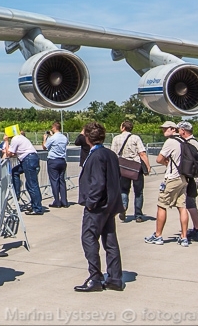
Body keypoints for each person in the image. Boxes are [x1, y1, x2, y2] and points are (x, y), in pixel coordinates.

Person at [74, 122, 124, 292]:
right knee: (110, 241)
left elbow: (98, 182)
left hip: (98, 206)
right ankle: (115, 277)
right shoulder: (110, 154)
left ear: (87, 137)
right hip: (110, 204)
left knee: (88, 238)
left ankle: (95, 277)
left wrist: (90, 203)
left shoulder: (96, 156)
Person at [145, 121, 190, 247]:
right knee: (182, 207)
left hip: (172, 178)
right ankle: (184, 237)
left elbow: (159, 159)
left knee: (161, 205)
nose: (163, 131)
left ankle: (158, 235)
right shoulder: (183, 141)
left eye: (165, 129)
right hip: (183, 178)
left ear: (172, 129)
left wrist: (166, 163)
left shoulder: (170, 142)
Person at [110, 120, 150, 223]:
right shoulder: (135, 138)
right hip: (136, 167)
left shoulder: (116, 138)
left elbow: (113, 154)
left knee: (123, 190)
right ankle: (138, 215)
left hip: (122, 168)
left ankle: (123, 206)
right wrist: (148, 166)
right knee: (138, 192)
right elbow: (142, 153)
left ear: (123, 127)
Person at [3, 128, 45, 215]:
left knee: (32, 184)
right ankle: (20, 195)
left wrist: (6, 141)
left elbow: (9, 154)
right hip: (30, 158)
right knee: (15, 171)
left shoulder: (15, 139)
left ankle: (37, 208)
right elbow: (14, 153)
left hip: (28, 160)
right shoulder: (21, 138)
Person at [177, 122, 198, 242]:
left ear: (183, 131)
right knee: (189, 203)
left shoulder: (191, 143)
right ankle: (196, 228)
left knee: (190, 203)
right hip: (192, 177)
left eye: (179, 130)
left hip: (192, 178)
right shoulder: (191, 142)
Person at [43, 122, 70, 208]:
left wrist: (45, 138)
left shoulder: (52, 138)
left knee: (54, 181)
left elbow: (44, 146)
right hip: (62, 160)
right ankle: (64, 201)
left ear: (54, 128)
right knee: (62, 181)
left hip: (53, 160)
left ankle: (57, 201)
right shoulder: (64, 137)